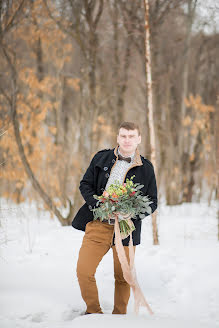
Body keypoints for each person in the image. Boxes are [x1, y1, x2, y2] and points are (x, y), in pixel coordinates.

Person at [72, 121, 158, 315]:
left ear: (139, 139)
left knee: (124, 277)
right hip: (98, 224)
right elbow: (85, 184)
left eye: (131, 136)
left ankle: (119, 317)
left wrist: (133, 213)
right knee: (84, 271)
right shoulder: (100, 158)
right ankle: (93, 313)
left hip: (127, 229)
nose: (127, 140)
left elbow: (153, 201)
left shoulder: (146, 168)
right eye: (123, 136)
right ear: (118, 138)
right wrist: (97, 204)